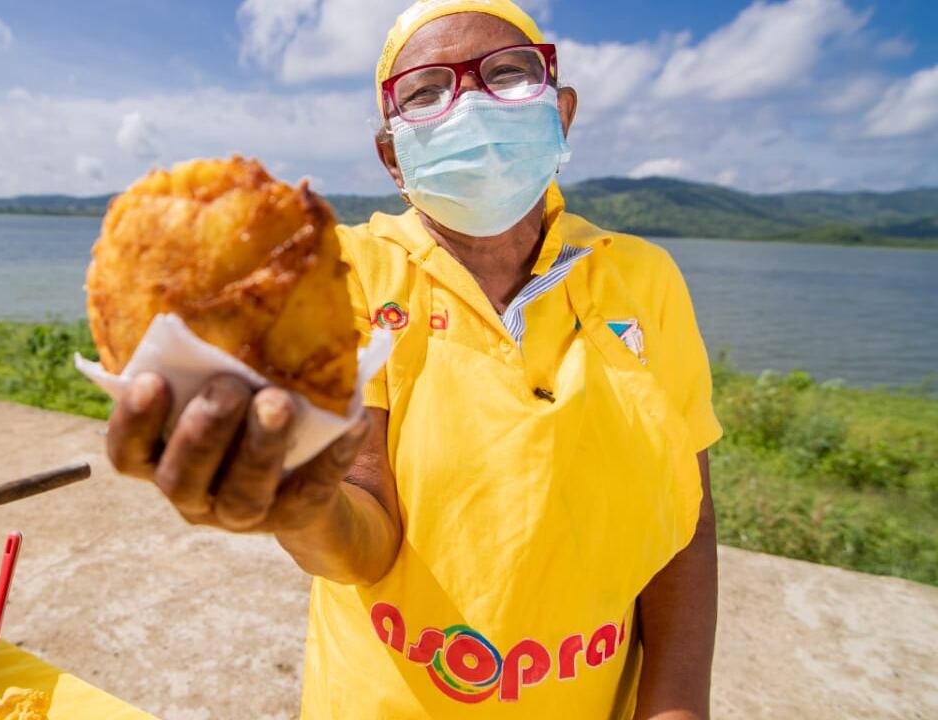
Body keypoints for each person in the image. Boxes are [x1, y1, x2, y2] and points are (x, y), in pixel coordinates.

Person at [104, 1, 721, 717]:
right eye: (426, 92)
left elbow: (686, 516)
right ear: (393, 155)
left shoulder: (642, 279)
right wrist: (302, 508)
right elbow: (363, 534)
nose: (473, 105)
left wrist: (676, 702)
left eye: (509, 75)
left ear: (561, 111)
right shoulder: (346, 274)